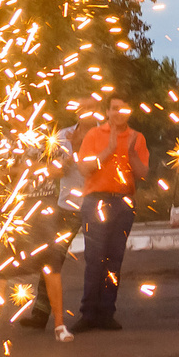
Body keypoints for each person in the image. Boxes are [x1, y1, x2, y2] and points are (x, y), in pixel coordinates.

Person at [71, 100, 148, 334]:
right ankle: (88, 313)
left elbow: (143, 173)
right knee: (95, 259)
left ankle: (106, 312)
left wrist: (131, 152)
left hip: (123, 201)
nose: (119, 112)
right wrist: (108, 150)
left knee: (114, 259)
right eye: (114, 108)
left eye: (124, 108)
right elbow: (84, 169)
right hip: (97, 200)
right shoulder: (94, 134)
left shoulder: (137, 137)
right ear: (107, 111)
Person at [1, 126, 82, 345]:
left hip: (46, 208)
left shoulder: (47, 136)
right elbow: (3, 172)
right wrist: (39, 168)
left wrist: (28, 168)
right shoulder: (6, 136)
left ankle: (59, 324)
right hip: (17, 210)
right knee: (3, 268)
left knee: (52, 265)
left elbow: (60, 169)